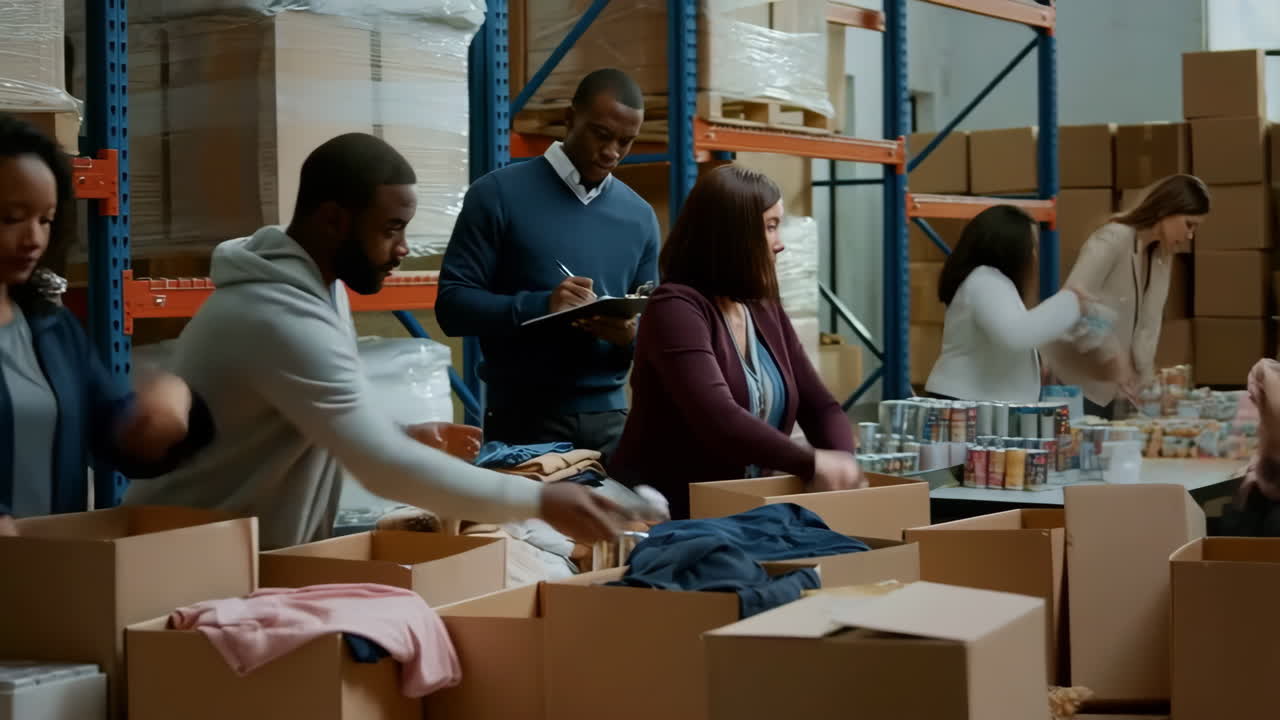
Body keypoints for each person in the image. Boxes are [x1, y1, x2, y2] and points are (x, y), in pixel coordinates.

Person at [122, 133, 629, 549]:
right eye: (391, 229)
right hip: (178, 563)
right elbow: (383, 469)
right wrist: (540, 501)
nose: (404, 249)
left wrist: (403, 433)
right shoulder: (276, 314)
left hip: (226, 560)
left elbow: (316, 414)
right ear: (334, 221)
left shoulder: (321, 289)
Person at [608, 165, 862, 520]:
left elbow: (820, 405)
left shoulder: (763, 308)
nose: (780, 243)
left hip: (744, 508)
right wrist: (812, 462)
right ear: (735, 236)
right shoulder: (676, 309)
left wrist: (843, 461)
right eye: (771, 226)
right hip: (670, 515)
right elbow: (718, 418)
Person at [0, 113, 211, 535]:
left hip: (49, 571)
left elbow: (111, 429)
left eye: (46, 219)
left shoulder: (52, 329)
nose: (34, 239)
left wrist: (158, 418)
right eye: (11, 217)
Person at [436, 68, 660, 459]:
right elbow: (452, 307)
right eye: (601, 134)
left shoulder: (639, 217)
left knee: (624, 523)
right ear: (569, 119)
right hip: (522, 419)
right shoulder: (496, 195)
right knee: (524, 524)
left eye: (626, 142)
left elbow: (655, 328)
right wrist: (542, 305)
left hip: (611, 420)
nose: (612, 152)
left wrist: (630, 334)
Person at [1044, 174, 1210, 416]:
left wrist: (1146, 381)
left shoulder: (1161, 257)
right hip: (1072, 381)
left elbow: (1147, 326)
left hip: (1113, 388)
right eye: (1189, 224)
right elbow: (1073, 299)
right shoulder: (1113, 238)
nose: (1190, 236)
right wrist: (1113, 355)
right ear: (1167, 209)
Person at [925, 205, 1089, 404]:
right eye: (1031, 247)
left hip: (977, 405)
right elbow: (1016, 335)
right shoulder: (984, 280)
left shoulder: (992, 282)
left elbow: (1015, 333)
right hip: (965, 407)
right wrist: (1071, 301)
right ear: (1011, 249)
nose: (1034, 256)